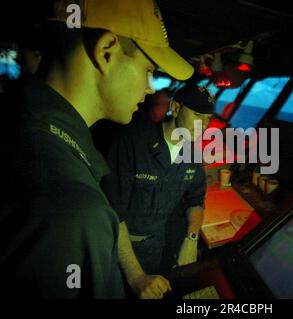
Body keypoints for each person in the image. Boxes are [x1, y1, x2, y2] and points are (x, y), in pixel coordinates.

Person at [0, 0, 193, 298]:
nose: (150, 87)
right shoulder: (72, 207)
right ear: (106, 51)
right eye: (148, 69)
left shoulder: (28, 128)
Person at [101, 85, 215, 298]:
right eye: (198, 115)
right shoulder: (133, 140)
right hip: (117, 248)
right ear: (176, 108)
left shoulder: (192, 154)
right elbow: (112, 213)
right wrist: (136, 277)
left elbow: (196, 200)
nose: (204, 125)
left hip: (155, 246)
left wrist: (191, 239)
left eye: (208, 118)